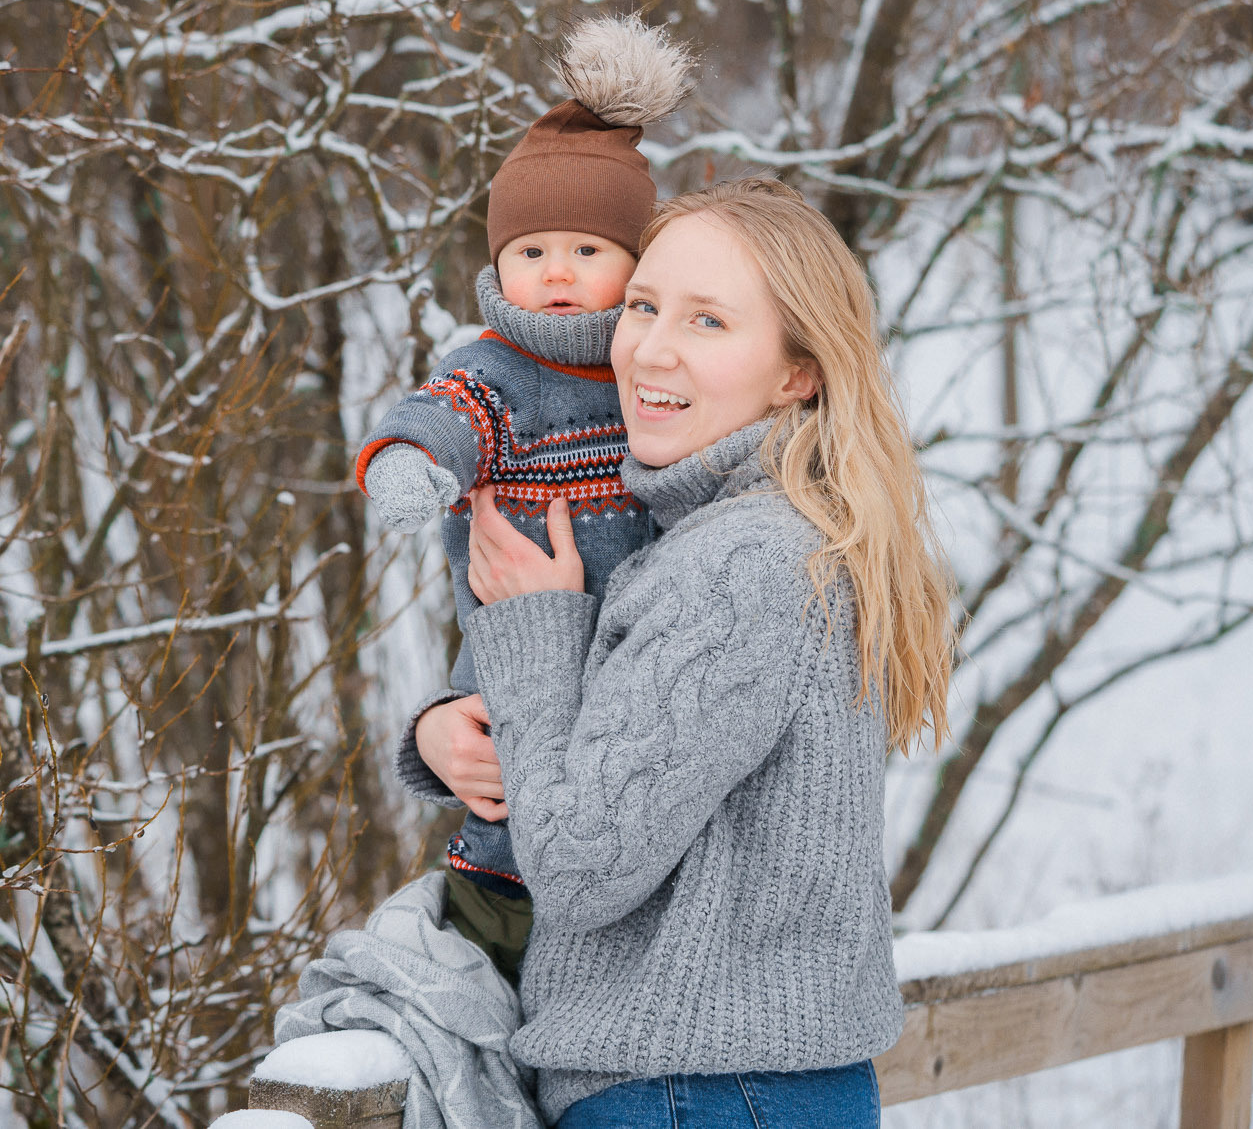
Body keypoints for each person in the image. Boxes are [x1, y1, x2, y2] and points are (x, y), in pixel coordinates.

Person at [402, 178, 958, 1128]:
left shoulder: (740, 562)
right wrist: (441, 733)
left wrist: (537, 623)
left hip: (691, 1092)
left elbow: (579, 867)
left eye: (708, 321)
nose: (651, 347)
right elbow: (629, 769)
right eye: (646, 306)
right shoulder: (779, 538)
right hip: (744, 1087)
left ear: (797, 372)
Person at [359, 14, 696, 984]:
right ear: (497, 265)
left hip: (634, 664)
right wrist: (411, 464)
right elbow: (441, 416)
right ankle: (482, 950)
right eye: (531, 250)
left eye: (588, 250)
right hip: (515, 660)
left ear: (640, 263)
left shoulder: (655, 369)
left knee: (611, 823)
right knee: (505, 801)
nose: (556, 272)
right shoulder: (496, 371)